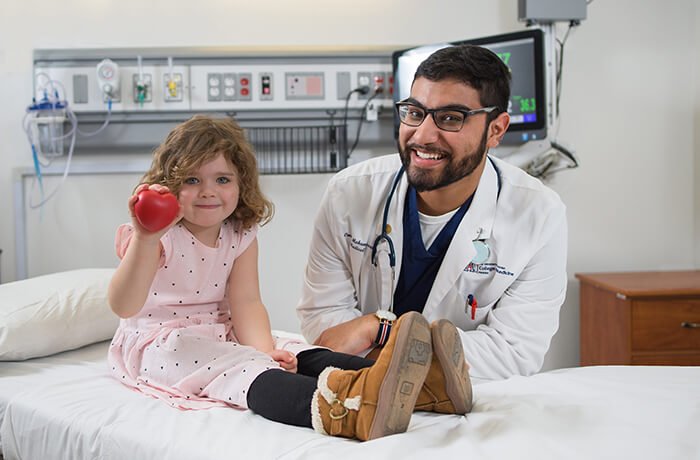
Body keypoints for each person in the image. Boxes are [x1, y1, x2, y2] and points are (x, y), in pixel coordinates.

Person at [106, 114, 467, 442]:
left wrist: (265, 352)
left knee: (296, 352)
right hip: (162, 344)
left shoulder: (239, 233)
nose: (208, 191)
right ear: (168, 184)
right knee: (240, 371)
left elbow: (246, 302)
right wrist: (146, 237)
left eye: (222, 179)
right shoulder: (157, 233)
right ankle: (347, 412)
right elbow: (124, 305)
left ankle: (425, 388)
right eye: (191, 179)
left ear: (241, 182)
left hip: (222, 331)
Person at [297, 44, 568, 381]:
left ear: (496, 130)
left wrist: (377, 332)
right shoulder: (349, 194)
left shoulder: (538, 215)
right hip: (358, 389)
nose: (423, 135)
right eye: (414, 112)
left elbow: (513, 353)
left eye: (451, 118)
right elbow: (323, 320)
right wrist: (428, 352)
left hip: (467, 402)